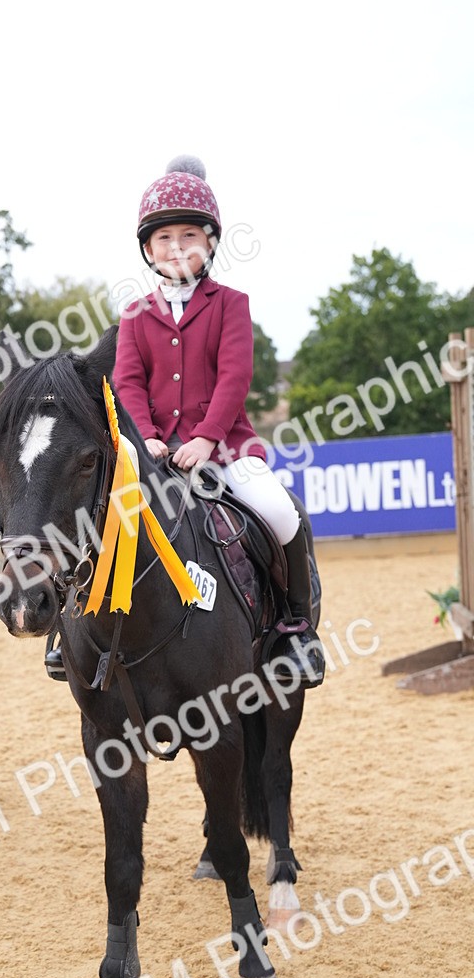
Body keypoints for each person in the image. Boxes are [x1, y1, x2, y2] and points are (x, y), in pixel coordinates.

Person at [111, 155, 324, 688]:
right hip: (153, 453)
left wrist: (206, 439)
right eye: (164, 238)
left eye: (189, 236)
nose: (176, 247)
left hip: (226, 449)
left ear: (209, 244)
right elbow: (127, 383)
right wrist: (148, 439)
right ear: (147, 249)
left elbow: (235, 377)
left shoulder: (231, 304)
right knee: (97, 518)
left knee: (280, 513)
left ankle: (296, 629)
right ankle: (75, 635)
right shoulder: (134, 314)